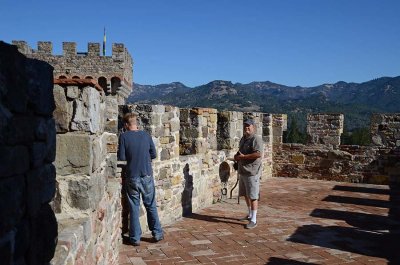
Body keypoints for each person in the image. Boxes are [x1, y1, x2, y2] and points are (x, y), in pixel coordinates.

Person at [117, 112, 164, 246]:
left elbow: (122, 158)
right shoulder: (146, 135)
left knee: (134, 207)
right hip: (146, 174)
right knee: (151, 206)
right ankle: (157, 233)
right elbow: (153, 154)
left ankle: (135, 238)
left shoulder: (124, 137)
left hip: (132, 176)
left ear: (126, 125)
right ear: (136, 123)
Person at [234, 119, 264, 229]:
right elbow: (241, 152)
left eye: (249, 126)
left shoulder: (256, 139)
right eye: (245, 126)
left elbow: (258, 154)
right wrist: (237, 157)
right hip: (243, 170)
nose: (246, 128)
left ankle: (254, 220)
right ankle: (250, 214)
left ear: (253, 127)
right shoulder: (243, 139)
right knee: (245, 194)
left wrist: (243, 157)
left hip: (252, 171)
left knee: (253, 195)